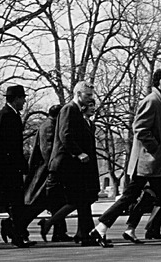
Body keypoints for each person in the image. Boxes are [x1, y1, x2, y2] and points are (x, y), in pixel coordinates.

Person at [90, 68, 161, 248]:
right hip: (149, 163)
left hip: (156, 163)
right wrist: (156, 148)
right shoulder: (152, 101)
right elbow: (139, 128)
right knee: (136, 197)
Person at [40, 86, 100, 246]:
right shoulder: (69, 109)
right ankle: (79, 232)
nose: (90, 98)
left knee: (81, 199)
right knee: (79, 199)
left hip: (73, 165)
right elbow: (64, 135)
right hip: (65, 164)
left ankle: (83, 234)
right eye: (87, 95)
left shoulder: (77, 111)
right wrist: (79, 153)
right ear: (78, 94)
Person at [0, 84, 36, 248]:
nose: (24, 101)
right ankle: (16, 234)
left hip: (11, 168)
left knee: (14, 203)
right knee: (10, 202)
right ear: (16, 99)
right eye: (23, 98)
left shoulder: (11, 115)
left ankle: (16, 233)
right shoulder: (5, 116)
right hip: (6, 169)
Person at [22, 105, 70, 242]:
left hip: (48, 171)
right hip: (46, 173)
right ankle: (15, 224)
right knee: (41, 202)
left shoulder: (51, 124)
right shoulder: (49, 126)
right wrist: (56, 168)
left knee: (56, 202)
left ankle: (59, 232)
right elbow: (48, 151)